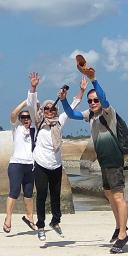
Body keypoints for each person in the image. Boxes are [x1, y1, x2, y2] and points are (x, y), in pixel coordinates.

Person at [60, 55, 128, 253]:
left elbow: (104, 98)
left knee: (118, 197)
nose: (92, 103)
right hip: (103, 162)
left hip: (115, 161)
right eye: (90, 101)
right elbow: (72, 115)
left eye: (94, 100)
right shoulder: (90, 115)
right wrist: (65, 101)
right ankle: (119, 227)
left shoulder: (108, 112)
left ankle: (123, 235)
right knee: (109, 196)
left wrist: (93, 79)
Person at [29, 74, 86, 241]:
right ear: (42, 111)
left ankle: (55, 221)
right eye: (46, 109)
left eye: (52, 109)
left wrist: (81, 90)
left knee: (55, 195)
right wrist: (33, 87)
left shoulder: (59, 121)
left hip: (56, 165)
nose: (50, 111)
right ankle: (40, 225)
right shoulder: (37, 121)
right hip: (40, 164)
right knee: (41, 194)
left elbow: (73, 104)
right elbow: (32, 104)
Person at [3, 88, 38, 236]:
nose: (25, 119)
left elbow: (39, 113)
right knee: (14, 192)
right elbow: (12, 114)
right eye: (22, 117)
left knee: (29, 193)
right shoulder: (16, 128)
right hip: (16, 164)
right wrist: (26, 102)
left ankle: (30, 218)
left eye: (27, 117)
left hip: (30, 164)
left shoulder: (34, 129)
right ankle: (8, 218)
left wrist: (35, 104)